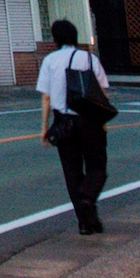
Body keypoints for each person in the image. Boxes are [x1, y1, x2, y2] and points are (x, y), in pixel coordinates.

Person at [38, 18, 112, 234]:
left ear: (55, 38)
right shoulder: (90, 58)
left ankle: (85, 224)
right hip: (90, 119)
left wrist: (44, 127)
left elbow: (46, 97)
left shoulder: (50, 60)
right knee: (97, 167)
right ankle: (88, 197)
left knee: (72, 173)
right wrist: (103, 120)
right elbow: (102, 92)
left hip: (63, 122)